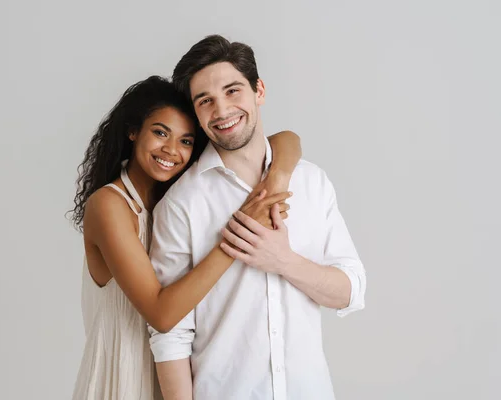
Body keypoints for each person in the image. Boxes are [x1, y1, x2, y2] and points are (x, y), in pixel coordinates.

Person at [148, 35, 367, 400]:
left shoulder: (311, 181)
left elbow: (351, 290)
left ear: (259, 90)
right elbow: (171, 336)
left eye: (233, 91)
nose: (221, 110)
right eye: (206, 101)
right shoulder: (180, 204)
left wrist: (284, 261)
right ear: (196, 114)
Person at [68, 75, 302, 400]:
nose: (172, 150)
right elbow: (162, 315)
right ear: (133, 131)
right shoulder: (110, 204)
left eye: (186, 141)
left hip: (176, 381)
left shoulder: (172, 202)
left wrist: (277, 177)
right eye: (160, 132)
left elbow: (286, 139)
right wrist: (243, 229)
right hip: (123, 381)